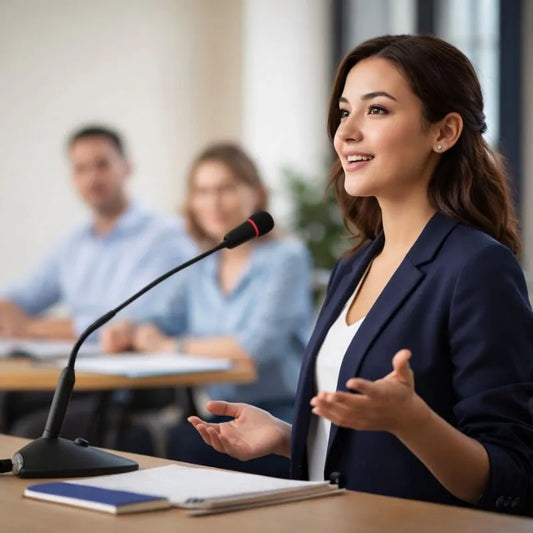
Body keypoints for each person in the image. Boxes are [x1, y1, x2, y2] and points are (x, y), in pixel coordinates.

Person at [187, 35, 533, 515]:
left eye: (377, 111)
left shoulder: (478, 268)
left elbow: (510, 474)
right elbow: (374, 449)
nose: (346, 133)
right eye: (344, 112)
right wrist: (291, 437)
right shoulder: (355, 266)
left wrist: (413, 420)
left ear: (445, 131)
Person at [101, 142, 313, 475]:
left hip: (280, 416)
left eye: (225, 188)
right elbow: (162, 316)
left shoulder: (286, 257)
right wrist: (128, 328)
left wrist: (169, 346)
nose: (212, 202)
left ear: (256, 193)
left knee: (166, 448)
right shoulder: (202, 261)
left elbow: (253, 347)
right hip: (223, 413)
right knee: (127, 441)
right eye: (201, 191)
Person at [0, 125, 196, 437]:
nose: (93, 177)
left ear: (126, 167)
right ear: (72, 178)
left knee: (28, 431)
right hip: (74, 374)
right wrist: (14, 313)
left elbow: (123, 325)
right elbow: (18, 297)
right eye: (81, 168)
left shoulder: (167, 236)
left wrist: (31, 327)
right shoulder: (73, 243)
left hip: (130, 388)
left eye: (102, 164)